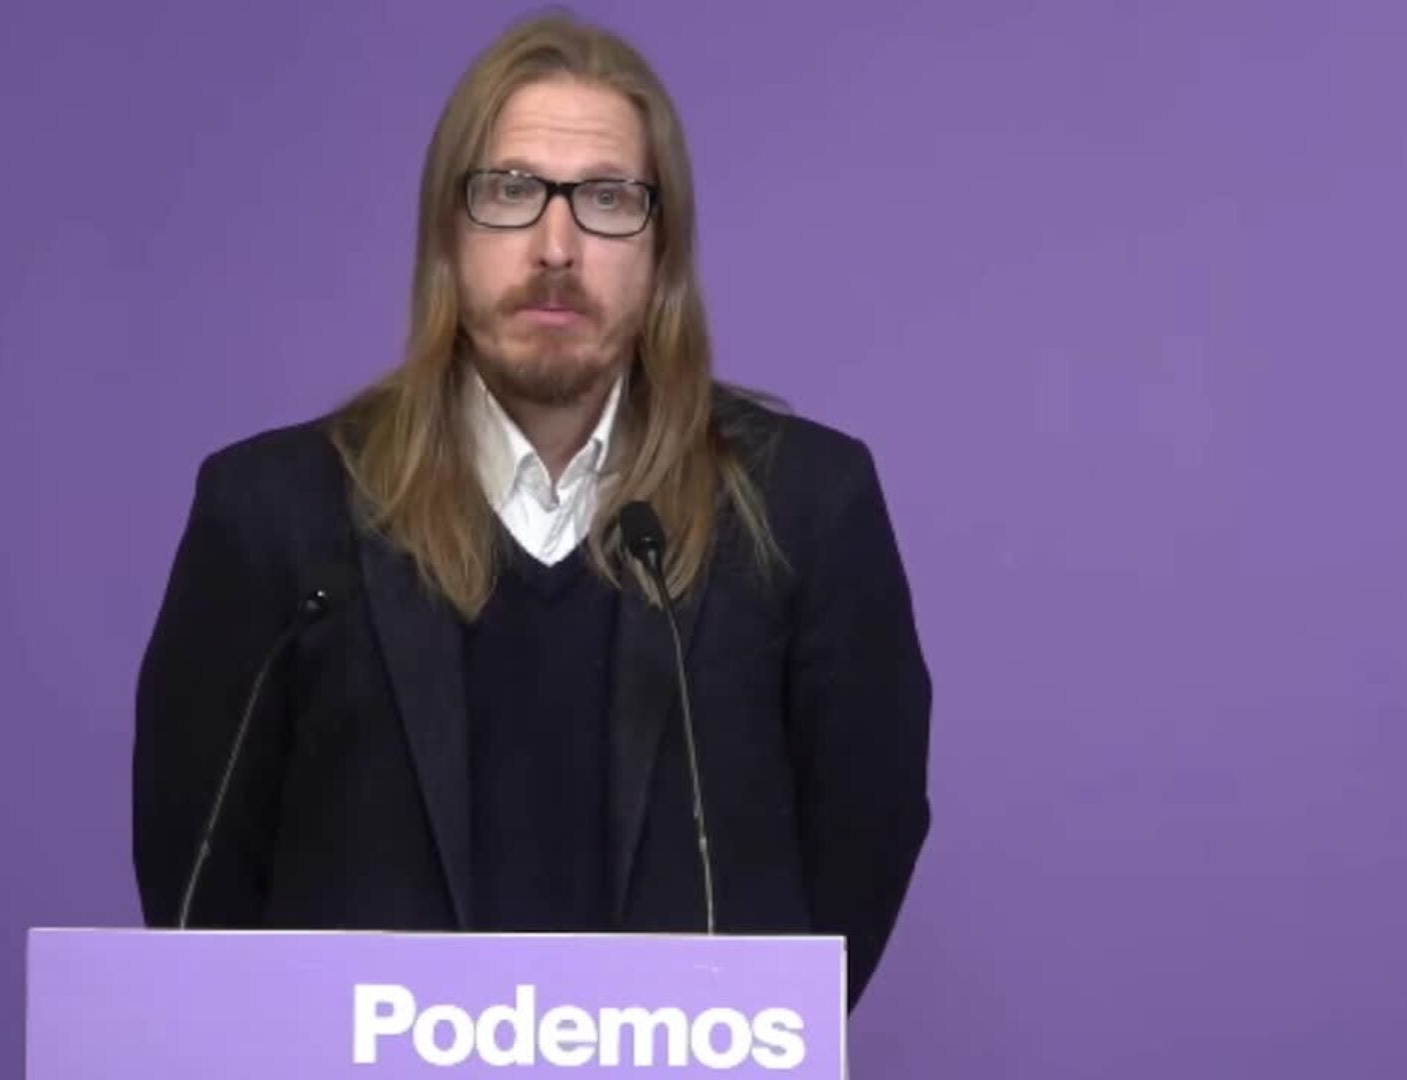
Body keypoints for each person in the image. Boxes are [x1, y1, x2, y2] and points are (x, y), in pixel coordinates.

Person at [132, 11, 932, 1009]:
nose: (556, 246)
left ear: (663, 251)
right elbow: (198, 888)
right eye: (511, 191)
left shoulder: (806, 508)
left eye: (606, 199)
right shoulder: (273, 516)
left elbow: (858, 857)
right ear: (447, 234)